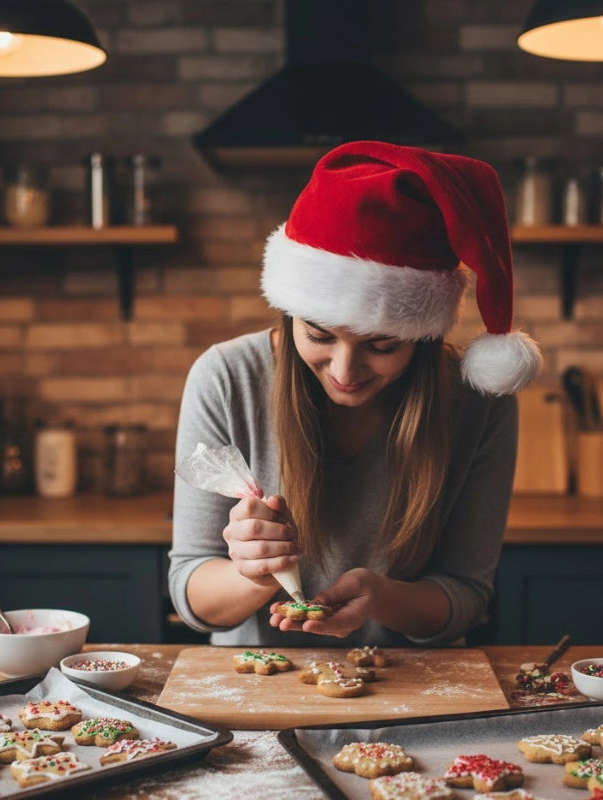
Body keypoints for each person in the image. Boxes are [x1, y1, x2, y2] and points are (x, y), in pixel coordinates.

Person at [169, 140, 541, 648]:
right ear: (289, 312)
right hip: (254, 690)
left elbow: (467, 596)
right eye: (319, 336)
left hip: (410, 690)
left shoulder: (477, 400)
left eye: (382, 345)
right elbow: (191, 595)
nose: (345, 370)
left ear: (422, 336)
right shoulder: (227, 377)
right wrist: (251, 576)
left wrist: (383, 598)